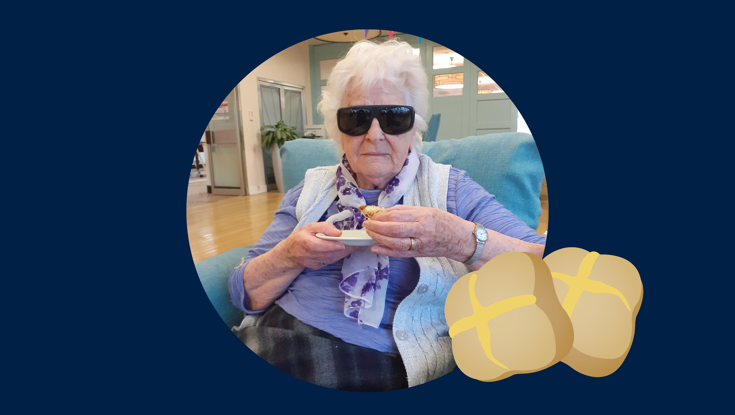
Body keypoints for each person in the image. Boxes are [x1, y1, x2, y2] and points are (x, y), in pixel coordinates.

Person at [228, 40, 546, 391]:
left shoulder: (450, 190)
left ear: (415, 126)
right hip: (277, 334)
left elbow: (548, 267)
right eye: (356, 118)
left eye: (395, 117)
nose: (375, 135)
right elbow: (244, 292)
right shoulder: (310, 188)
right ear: (338, 131)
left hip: (381, 360)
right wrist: (289, 254)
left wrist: (458, 239)